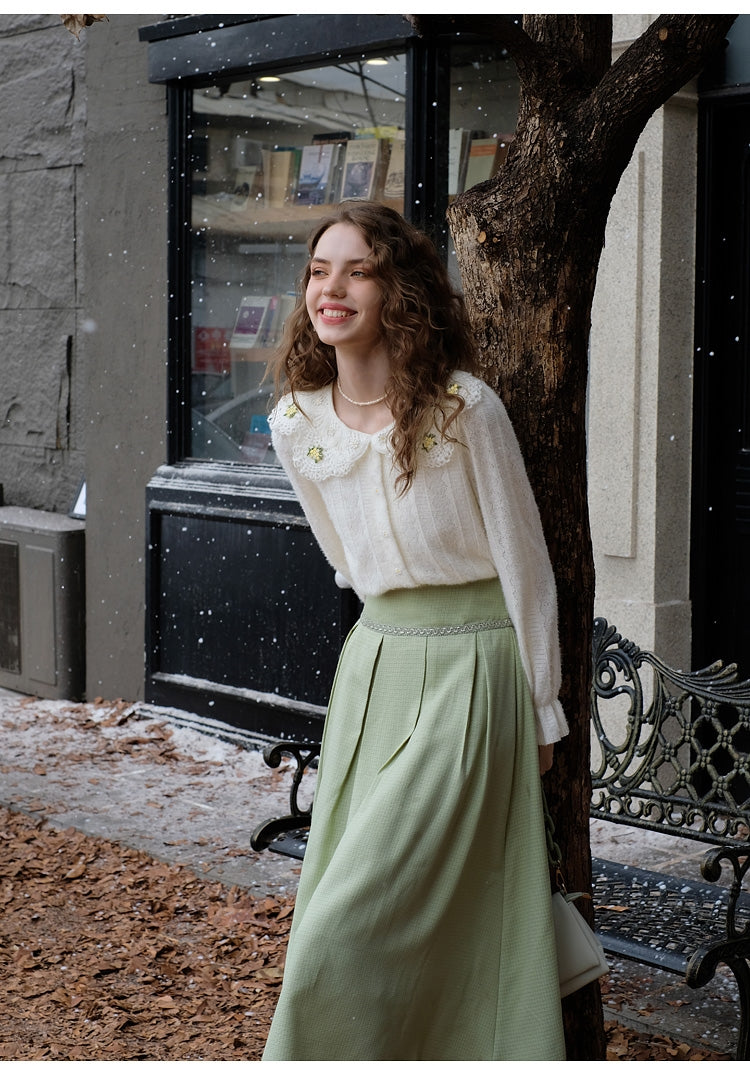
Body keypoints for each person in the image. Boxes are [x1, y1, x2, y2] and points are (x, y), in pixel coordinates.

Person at [263, 200, 568, 1061]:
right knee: (367, 905)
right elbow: (343, 562)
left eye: (358, 269)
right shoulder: (295, 423)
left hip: (475, 672)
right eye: (320, 271)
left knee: (356, 920)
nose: (333, 288)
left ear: (399, 288)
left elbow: (526, 565)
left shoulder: (465, 410)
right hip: (374, 673)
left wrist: (541, 707)